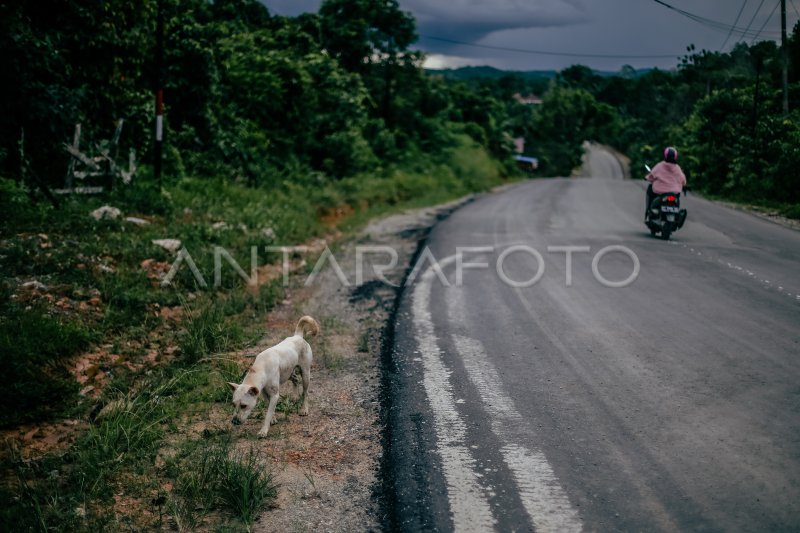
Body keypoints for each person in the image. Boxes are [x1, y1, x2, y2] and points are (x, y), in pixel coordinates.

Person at [645, 147, 687, 220]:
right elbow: (683, 180)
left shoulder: (660, 165)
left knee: (650, 189)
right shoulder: (677, 168)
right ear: (675, 156)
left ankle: (648, 210)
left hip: (660, 193)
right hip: (674, 193)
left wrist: (647, 178)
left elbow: (651, 176)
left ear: (665, 155)